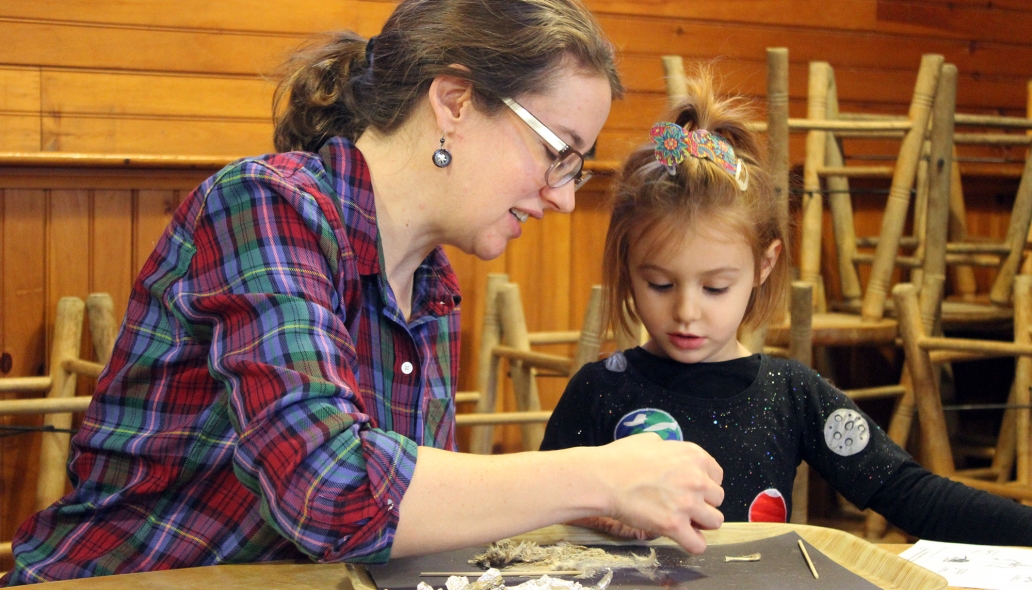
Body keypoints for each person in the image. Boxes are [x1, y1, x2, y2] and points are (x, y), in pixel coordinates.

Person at [1, 0, 729, 585]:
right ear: (455, 101)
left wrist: (590, 507)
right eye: (558, 152)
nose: (563, 197)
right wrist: (593, 478)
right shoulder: (264, 203)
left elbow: (395, 524)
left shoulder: (429, 283)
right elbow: (332, 489)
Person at [540, 74, 1032, 545]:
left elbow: (907, 492)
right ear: (627, 266)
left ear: (764, 264)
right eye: (661, 284)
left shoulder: (792, 393)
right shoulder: (598, 391)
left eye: (715, 288)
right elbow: (537, 517)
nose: (686, 311)